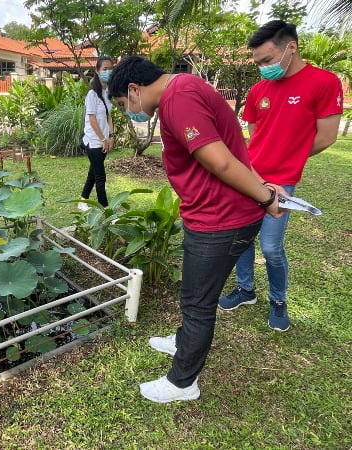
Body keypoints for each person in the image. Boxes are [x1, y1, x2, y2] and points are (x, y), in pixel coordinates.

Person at [107, 56, 282, 403]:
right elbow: (231, 147)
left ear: (133, 89)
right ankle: (183, 341)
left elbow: (220, 160)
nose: (130, 112)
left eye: (125, 105)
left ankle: (183, 381)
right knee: (194, 293)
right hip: (212, 212)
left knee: (199, 302)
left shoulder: (178, 99)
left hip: (220, 217)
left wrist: (265, 197)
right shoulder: (185, 87)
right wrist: (263, 186)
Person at [218, 20, 343, 332]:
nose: (263, 68)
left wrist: (289, 158)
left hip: (283, 181)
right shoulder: (260, 88)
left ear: (291, 47)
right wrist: (257, 168)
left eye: (268, 60)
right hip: (248, 175)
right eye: (259, 63)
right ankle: (246, 290)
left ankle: (278, 300)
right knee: (242, 238)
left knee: (271, 247)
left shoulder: (323, 82)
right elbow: (254, 132)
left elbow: (327, 136)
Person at [78, 56, 115, 210]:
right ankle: (105, 209)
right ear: (97, 71)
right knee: (100, 177)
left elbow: (109, 116)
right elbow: (92, 120)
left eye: (110, 69)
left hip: (104, 141)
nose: (108, 71)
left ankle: (82, 201)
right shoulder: (92, 95)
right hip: (93, 142)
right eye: (105, 69)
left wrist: (111, 137)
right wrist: (103, 139)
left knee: (93, 174)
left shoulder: (108, 93)